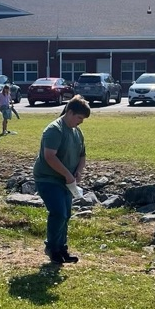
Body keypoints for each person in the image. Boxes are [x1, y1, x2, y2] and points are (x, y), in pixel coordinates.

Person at [33, 95, 90, 264]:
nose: (81, 122)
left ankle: (62, 248)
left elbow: (82, 155)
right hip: (48, 178)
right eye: (79, 117)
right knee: (58, 213)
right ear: (69, 112)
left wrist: (78, 172)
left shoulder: (77, 132)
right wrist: (67, 174)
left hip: (67, 181)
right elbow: (50, 156)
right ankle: (52, 248)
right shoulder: (54, 130)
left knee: (66, 215)